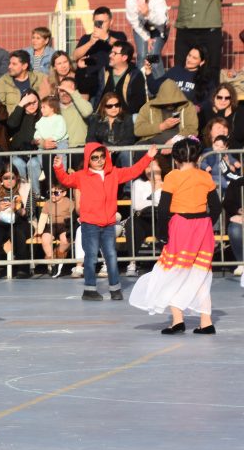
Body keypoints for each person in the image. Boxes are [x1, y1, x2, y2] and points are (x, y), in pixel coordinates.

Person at [130, 138, 218, 334]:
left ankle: (177, 320)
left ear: (176, 159)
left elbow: (163, 209)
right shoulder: (205, 177)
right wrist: (205, 222)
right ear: (198, 156)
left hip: (181, 226)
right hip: (202, 226)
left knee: (173, 272)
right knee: (201, 273)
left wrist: (163, 233)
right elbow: (217, 207)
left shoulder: (172, 177)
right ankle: (206, 321)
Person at [53, 142, 157, 300]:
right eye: (95, 158)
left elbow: (133, 171)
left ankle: (115, 289)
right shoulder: (81, 176)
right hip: (90, 224)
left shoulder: (114, 173)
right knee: (91, 257)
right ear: (88, 159)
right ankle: (89, 289)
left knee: (111, 256)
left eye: (102, 156)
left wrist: (148, 157)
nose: (99, 160)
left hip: (108, 223)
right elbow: (66, 180)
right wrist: (58, 167)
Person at [0, 164, 34, 279]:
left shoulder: (26, 188)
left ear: (17, 178)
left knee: (17, 230)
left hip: (22, 222)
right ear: (1, 179)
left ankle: (23, 268)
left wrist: (17, 209)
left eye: (12, 178)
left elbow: (31, 213)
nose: (9, 181)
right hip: (0, 222)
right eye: (6, 178)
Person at [73, 7, 129, 100]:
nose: (100, 25)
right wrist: (90, 42)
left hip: (110, 81)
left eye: (103, 22)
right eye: (97, 22)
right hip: (90, 82)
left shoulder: (118, 35)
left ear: (111, 22)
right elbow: (75, 56)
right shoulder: (86, 38)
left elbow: (124, 48)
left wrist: (106, 38)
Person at [125, 0, 170, 75]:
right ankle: (141, 85)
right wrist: (146, 37)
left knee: (153, 56)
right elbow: (134, 22)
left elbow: (162, 21)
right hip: (141, 28)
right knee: (141, 55)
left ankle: (160, 85)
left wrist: (148, 13)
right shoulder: (131, 1)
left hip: (159, 29)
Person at [145, 44, 213, 108]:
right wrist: (148, 72)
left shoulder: (205, 78)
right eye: (189, 55)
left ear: (202, 62)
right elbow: (153, 88)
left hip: (190, 115)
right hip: (170, 114)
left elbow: (209, 100)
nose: (189, 60)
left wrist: (198, 108)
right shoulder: (176, 71)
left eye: (194, 58)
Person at [135, 79, 199, 144]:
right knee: (138, 149)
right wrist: (162, 126)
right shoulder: (148, 107)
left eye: (173, 101)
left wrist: (174, 141)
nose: (170, 104)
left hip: (179, 144)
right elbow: (138, 130)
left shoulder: (188, 106)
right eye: (166, 102)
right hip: (152, 144)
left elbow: (192, 129)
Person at [36, 185, 75, 277]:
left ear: (64, 193)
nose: (53, 195)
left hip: (64, 225)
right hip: (52, 225)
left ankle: (56, 255)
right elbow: (43, 217)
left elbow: (73, 215)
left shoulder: (69, 202)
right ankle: (51, 262)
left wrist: (69, 218)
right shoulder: (48, 203)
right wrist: (39, 230)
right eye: (51, 193)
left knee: (65, 240)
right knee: (45, 240)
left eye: (56, 193)